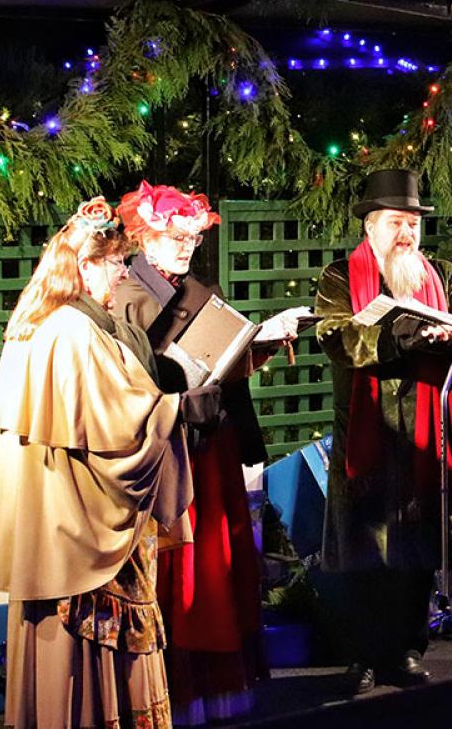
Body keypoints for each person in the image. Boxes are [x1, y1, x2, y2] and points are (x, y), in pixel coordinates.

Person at [0, 197, 217, 729]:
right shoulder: (71, 331)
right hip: (81, 525)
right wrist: (184, 407)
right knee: (88, 642)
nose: (120, 276)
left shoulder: (42, 322)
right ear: (85, 265)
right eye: (115, 265)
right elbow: (122, 425)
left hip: (55, 519)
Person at [113, 180, 296, 726]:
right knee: (182, 569)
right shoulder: (128, 298)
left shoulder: (196, 287)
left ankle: (216, 691)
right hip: (169, 449)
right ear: (144, 236)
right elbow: (133, 384)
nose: (185, 246)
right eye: (174, 236)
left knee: (215, 560)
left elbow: (221, 361)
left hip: (209, 443)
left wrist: (256, 346)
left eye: (192, 236)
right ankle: (172, 693)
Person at [314, 168, 452, 694]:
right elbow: (338, 337)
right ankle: (362, 656)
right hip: (367, 434)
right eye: (396, 223)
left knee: (417, 550)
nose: (406, 235)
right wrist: (402, 338)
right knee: (364, 550)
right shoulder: (340, 278)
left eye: (413, 224)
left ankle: (407, 651)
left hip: (425, 433)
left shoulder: (444, 275)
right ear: (370, 227)